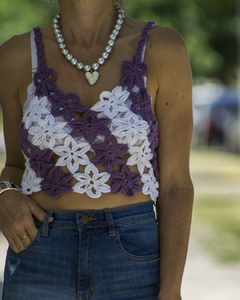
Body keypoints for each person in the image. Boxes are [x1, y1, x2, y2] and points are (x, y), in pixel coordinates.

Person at [0, 0, 194, 299]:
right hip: (38, 257)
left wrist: (171, 290)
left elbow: (176, 185)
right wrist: (5, 193)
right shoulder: (14, 55)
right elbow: (14, 166)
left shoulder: (163, 49)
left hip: (134, 261)